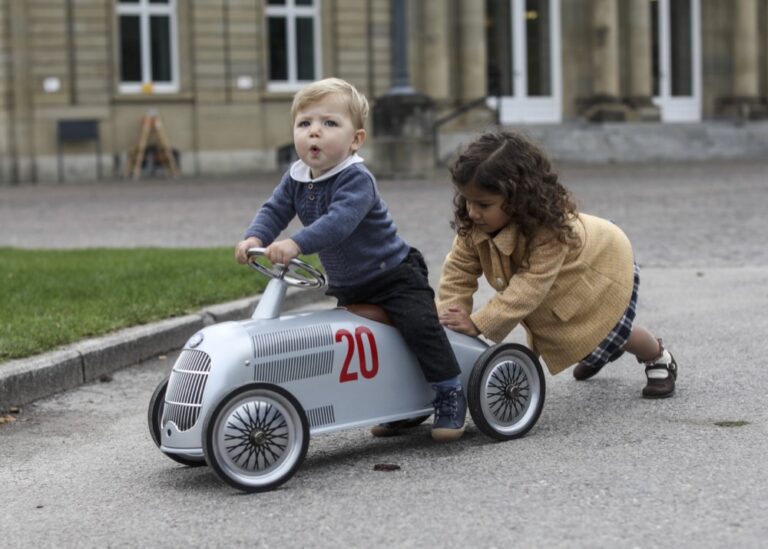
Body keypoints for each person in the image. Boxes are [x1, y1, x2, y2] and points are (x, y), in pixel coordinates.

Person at [234, 77, 466, 439]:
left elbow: (338, 223)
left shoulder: (356, 179)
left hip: (393, 275)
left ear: (355, 139)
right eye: (305, 123)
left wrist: (296, 244)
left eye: (329, 124)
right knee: (363, 348)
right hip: (351, 285)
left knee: (420, 329)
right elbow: (275, 208)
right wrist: (255, 236)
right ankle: (399, 405)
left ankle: (450, 390)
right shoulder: (296, 177)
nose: (314, 133)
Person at [437, 130, 678, 398]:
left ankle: (657, 356)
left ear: (517, 199)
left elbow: (528, 286)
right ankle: (596, 352)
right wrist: (448, 320)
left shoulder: (549, 231)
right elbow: (458, 272)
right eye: (467, 200)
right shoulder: (474, 227)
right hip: (562, 289)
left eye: (483, 204)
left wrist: (479, 323)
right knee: (583, 339)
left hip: (600, 266)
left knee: (613, 331)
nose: (472, 212)